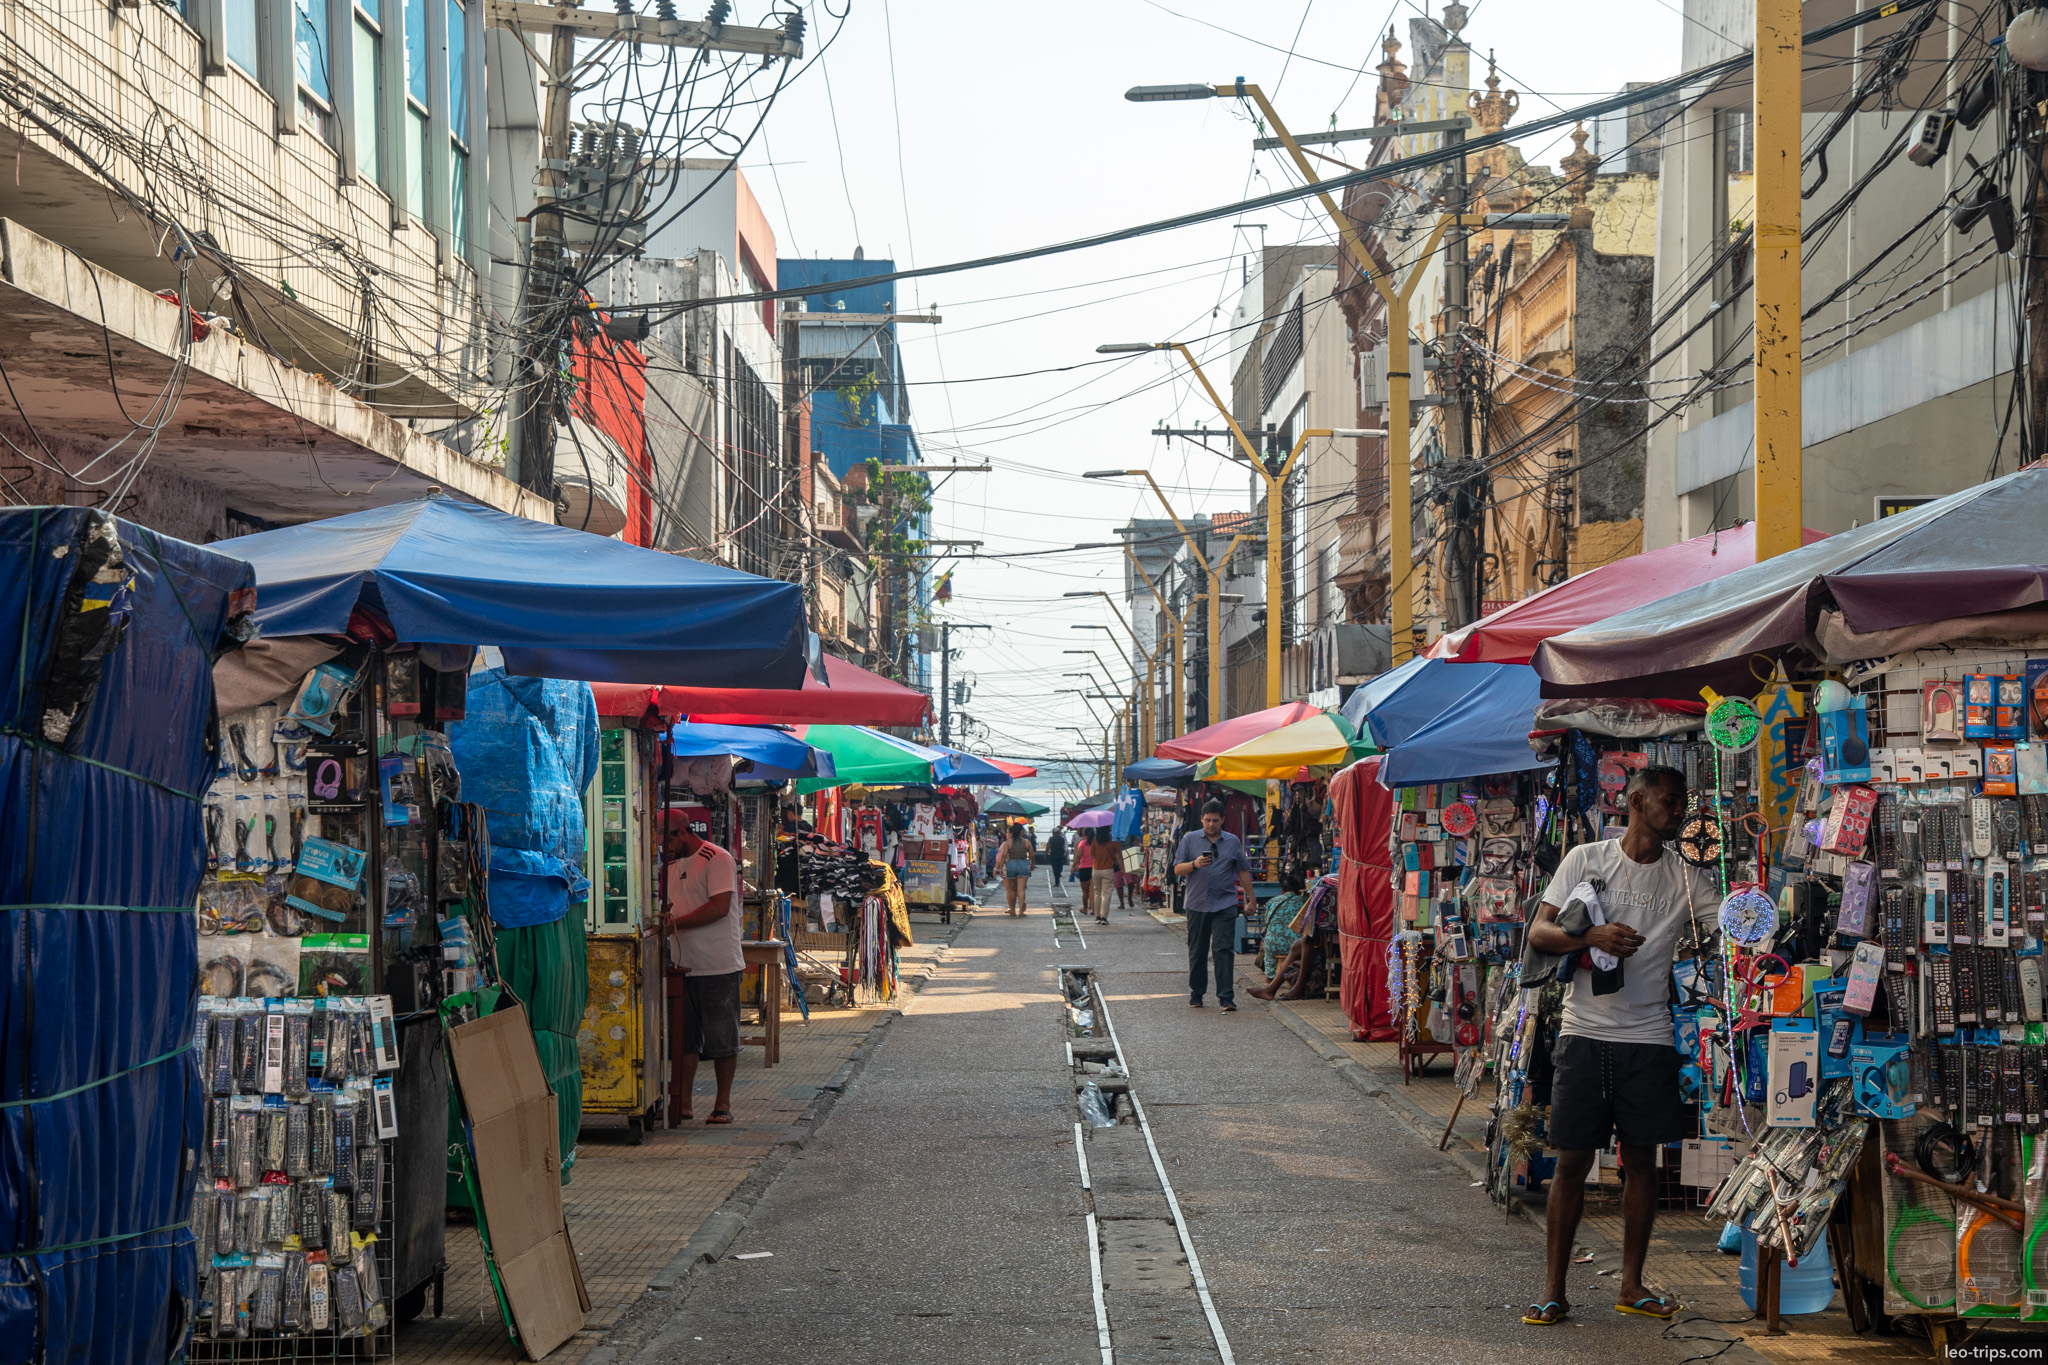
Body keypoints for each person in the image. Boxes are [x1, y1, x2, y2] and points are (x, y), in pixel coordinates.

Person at [1521, 766, 1719, 1328]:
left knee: (1641, 1164)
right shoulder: (1587, 858)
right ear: (1636, 801)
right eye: (1669, 800)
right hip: (1584, 1032)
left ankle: (1632, 1284)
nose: (1678, 811)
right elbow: (1538, 934)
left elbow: (1727, 925)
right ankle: (1554, 1290)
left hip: (1649, 1036)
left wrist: (1750, 917)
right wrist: (1591, 937)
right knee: (1572, 1163)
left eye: (1682, 802)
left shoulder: (1685, 879)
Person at [661, 809, 744, 1125]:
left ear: (681, 832)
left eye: (663, 836)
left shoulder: (717, 858)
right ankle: (683, 1103)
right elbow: (669, 905)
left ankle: (722, 1103)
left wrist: (675, 925)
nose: (660, 844)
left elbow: (720, 907)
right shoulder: (670, 866)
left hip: (718, 964)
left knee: (722, 1037)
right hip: (683, 964)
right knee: (684, 1039)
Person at [1171, 800, 1256, 1011]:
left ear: (1223, 820)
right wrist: (1194, 864)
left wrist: (1251, 898)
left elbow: (1242, 870)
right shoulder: (1190, 840)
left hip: (1225, 904)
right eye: (1207, 820)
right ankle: (1197, 993)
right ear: (1201, 819)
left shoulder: (1233, 841)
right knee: (1197, 951)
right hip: (1196, 904)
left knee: (1223, 950)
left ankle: (1226, 997)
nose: (1211, 824)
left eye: (1215, 821)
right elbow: (1177, 869)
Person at [1002, 823, 1034, 915]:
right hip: (1023, 864)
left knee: (1011, 889)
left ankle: (1012, 910)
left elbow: (1004, 856)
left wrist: (1001, 867)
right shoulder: (1026, 842)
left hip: (1011, 864)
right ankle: (1021, 911)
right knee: (1021, 889)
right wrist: (1032, 864)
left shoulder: (1008, 842)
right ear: (1020, 832)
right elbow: (1032, 854)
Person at [1089, 829, 1118, 923]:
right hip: (1108, 869)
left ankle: (1097, 917)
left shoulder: (1094, 841)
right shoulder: (1113, 841)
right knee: (1106, 894)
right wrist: (1123, 870)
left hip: (1096, 870)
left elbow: (1091, 855)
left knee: (1097, 893)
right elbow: (1118, 857)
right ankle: (1104, 917)